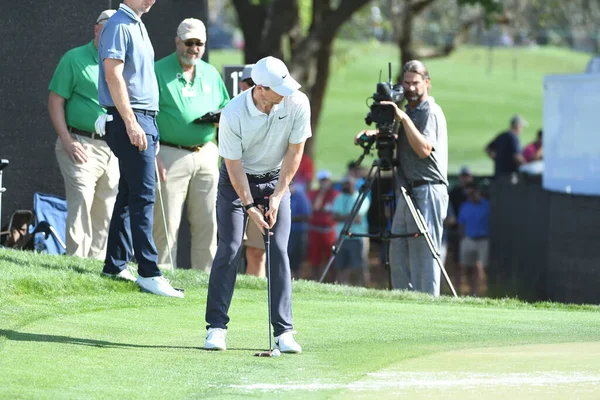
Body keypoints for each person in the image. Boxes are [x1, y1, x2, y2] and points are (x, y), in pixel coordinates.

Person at [204, 56, 311, 352]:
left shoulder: (297, 102)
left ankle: (284, 332)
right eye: (279, 87)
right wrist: (250, 206)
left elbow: (294, 152)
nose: (286, 91)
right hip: (237, 181)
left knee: (278, 249)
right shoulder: (234, 112)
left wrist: (277, 195)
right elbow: (234, 166)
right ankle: (216, 328)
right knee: (230, 248)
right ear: (261, 88)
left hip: (276, 179)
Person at [98, 0, 182, 297]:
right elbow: (113, 74)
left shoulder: (136, 23)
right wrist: (132, 122)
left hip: (143, 117)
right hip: (131, 117)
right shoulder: (120, 24)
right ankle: (148, 271)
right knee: (144, 194)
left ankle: (115, 264)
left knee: (130, 192)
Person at [356, 60, 448, 296]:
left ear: (427, 83)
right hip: (407, 188)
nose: (410, 88)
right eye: (406, 83)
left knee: (424, 253)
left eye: (415, 83)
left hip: (428, 188)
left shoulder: (429, 111)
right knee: (398, 250)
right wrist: (376, 134)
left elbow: (424, 149)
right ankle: (404, 301)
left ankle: (428, 306)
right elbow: (404, 141)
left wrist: (402, 118)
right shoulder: (411, 111)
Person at [153, 18, 230, 271]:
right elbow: (144, 115)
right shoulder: (158, 70)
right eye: (189, 43)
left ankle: (205, 280)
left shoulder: (209, 72)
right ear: (177, 41)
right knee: (166, 224)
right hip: (169, 152)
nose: (194, 48)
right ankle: (161, 275)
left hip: (206, 152)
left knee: (208, 223)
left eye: (199, 43)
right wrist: (153, 154)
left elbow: (226, 108)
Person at [49, 9, 119, 260]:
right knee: (81, 203)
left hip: (113, 147)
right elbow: (55, 101)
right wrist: (67, 140)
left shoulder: (122, 61)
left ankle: (97, 267)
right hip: (80, 142)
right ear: (97, 29)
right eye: (109, 28)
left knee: (105, 209)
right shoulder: (74, 58)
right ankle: (75, 263)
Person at [237, 64, 267, 278]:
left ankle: (254, 290)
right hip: (235, 185)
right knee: (231, 248)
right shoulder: (233, 112)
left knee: (258, 250)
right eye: (251, 85)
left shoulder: (274, 112)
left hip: (262, 186)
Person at [332, 175, 371, 286]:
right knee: (341, 266)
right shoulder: (339, 198)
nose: (344, 186)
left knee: (359, 266)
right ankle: (342, 288)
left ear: (353, 185)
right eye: (343, 183)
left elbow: (357, 218)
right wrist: (349, 217)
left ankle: (363, 287)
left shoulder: (361, 198)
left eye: (347, 183)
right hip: (341, 237)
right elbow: (334, 217)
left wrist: (342, 217)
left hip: (356, 237)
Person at [457, 183, 490, 296]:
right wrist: (462, 238)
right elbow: (461, 224)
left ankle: (481, 293)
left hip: (483, 240)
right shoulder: (465, 206)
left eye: (473, 192)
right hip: (468, 239)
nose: (471, 195)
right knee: (468, 268)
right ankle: (471, 293)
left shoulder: (487, 205)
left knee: (482, 269)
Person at [307, 170, 339, 281]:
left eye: (326, 180)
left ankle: (333, 282)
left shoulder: (335, 194)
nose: (324, 183)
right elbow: (315, 207)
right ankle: (316, 281)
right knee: (315, 259)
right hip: (315, 230)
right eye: (322, 181)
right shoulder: (313, 193)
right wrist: (322, 193)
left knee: (331, 259)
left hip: (330, 231)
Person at [288, 183, 311, 279]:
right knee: (287, 256)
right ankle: (288, 278)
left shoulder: (300, 197)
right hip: (287, 232)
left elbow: (307, 216)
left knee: (298, 257)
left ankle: (298, 278)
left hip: (298, 232)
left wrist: (289, 218)